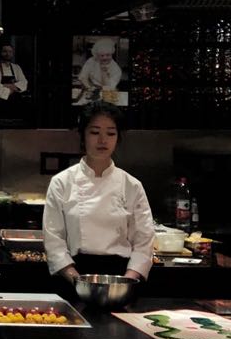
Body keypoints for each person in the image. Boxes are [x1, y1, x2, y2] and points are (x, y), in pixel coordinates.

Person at [43, 103, 155, 285]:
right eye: (95, 132)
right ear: (83, 135)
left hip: (120, 276)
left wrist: (126, 282)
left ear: (118, 138)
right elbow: (53, 240)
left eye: (111, 133)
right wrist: (77, 280)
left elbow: (144, 240)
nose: (103, 140)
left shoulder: (132, 185)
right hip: (74, 276)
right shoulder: (61, 182)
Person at [76, 37, 123, 104]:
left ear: (112, 54)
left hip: (108, 93)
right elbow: (83, 77)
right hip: (92, 90)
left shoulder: (116, 69)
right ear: (97, 55)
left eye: (108, 55)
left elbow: (109, 87)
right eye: (102, 55)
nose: (105, 58)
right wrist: (89, 87)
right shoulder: (91, 61)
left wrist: (104, 72)